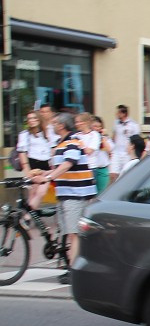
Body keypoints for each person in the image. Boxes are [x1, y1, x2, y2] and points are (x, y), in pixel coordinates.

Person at [30, 113, 97, 284]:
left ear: (62, 125)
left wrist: (48, 178)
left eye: (54, 123)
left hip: (77, 193)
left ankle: (74, 272)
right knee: (69, 233)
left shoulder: (73, 142)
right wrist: (43, 174)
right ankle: (71, 263)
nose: (52, 125)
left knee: (74, 234)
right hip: (66, 192)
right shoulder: (61, 143)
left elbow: (68, 164)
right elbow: (59, 167)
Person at [14, 110, 56, 210]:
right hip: (32, 165)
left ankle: (25, 217)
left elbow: (54, 148)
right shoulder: (25, 134)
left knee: (41, 192)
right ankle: (27, 219)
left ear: (39, 119)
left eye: (34, 118)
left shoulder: (48, 132)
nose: (32, 120)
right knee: (33, 193)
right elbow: (22, 152)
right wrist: (27, 171)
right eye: (29, 119)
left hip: (46, 165)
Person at [73, 112, 108, 194]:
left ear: (85, 123)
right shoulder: (76, 135)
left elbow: (89, 151)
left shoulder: (94, 135)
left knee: (90, 192)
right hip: (79, 168)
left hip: (90, 167)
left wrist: (80, 145)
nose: (76, 124)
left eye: (78, 122)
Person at [110, 104, 141, 181]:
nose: (116, 114)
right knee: (113, 174)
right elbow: (114, 136)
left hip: (126, 152)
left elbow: (136, 139)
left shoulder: (133, 124)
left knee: (126, 174)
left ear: (124, 114)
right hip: (116, 151)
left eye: (118, 113)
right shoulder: (116, 123)